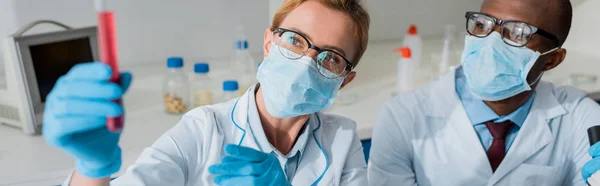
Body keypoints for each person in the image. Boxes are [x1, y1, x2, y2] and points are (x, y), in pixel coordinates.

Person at [42, 0, 370, 185]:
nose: (305, 64)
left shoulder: (341, 138)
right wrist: (92, 167)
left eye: (330, 58)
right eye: (295, 40)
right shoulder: (203, 130)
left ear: (344, 79)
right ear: (269, 42)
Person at [368, 0, 600, 185]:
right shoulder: (402, 117)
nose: (491, 42)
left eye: (518, 33)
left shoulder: (582, 120)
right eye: (483, 24)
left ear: (551, 60)